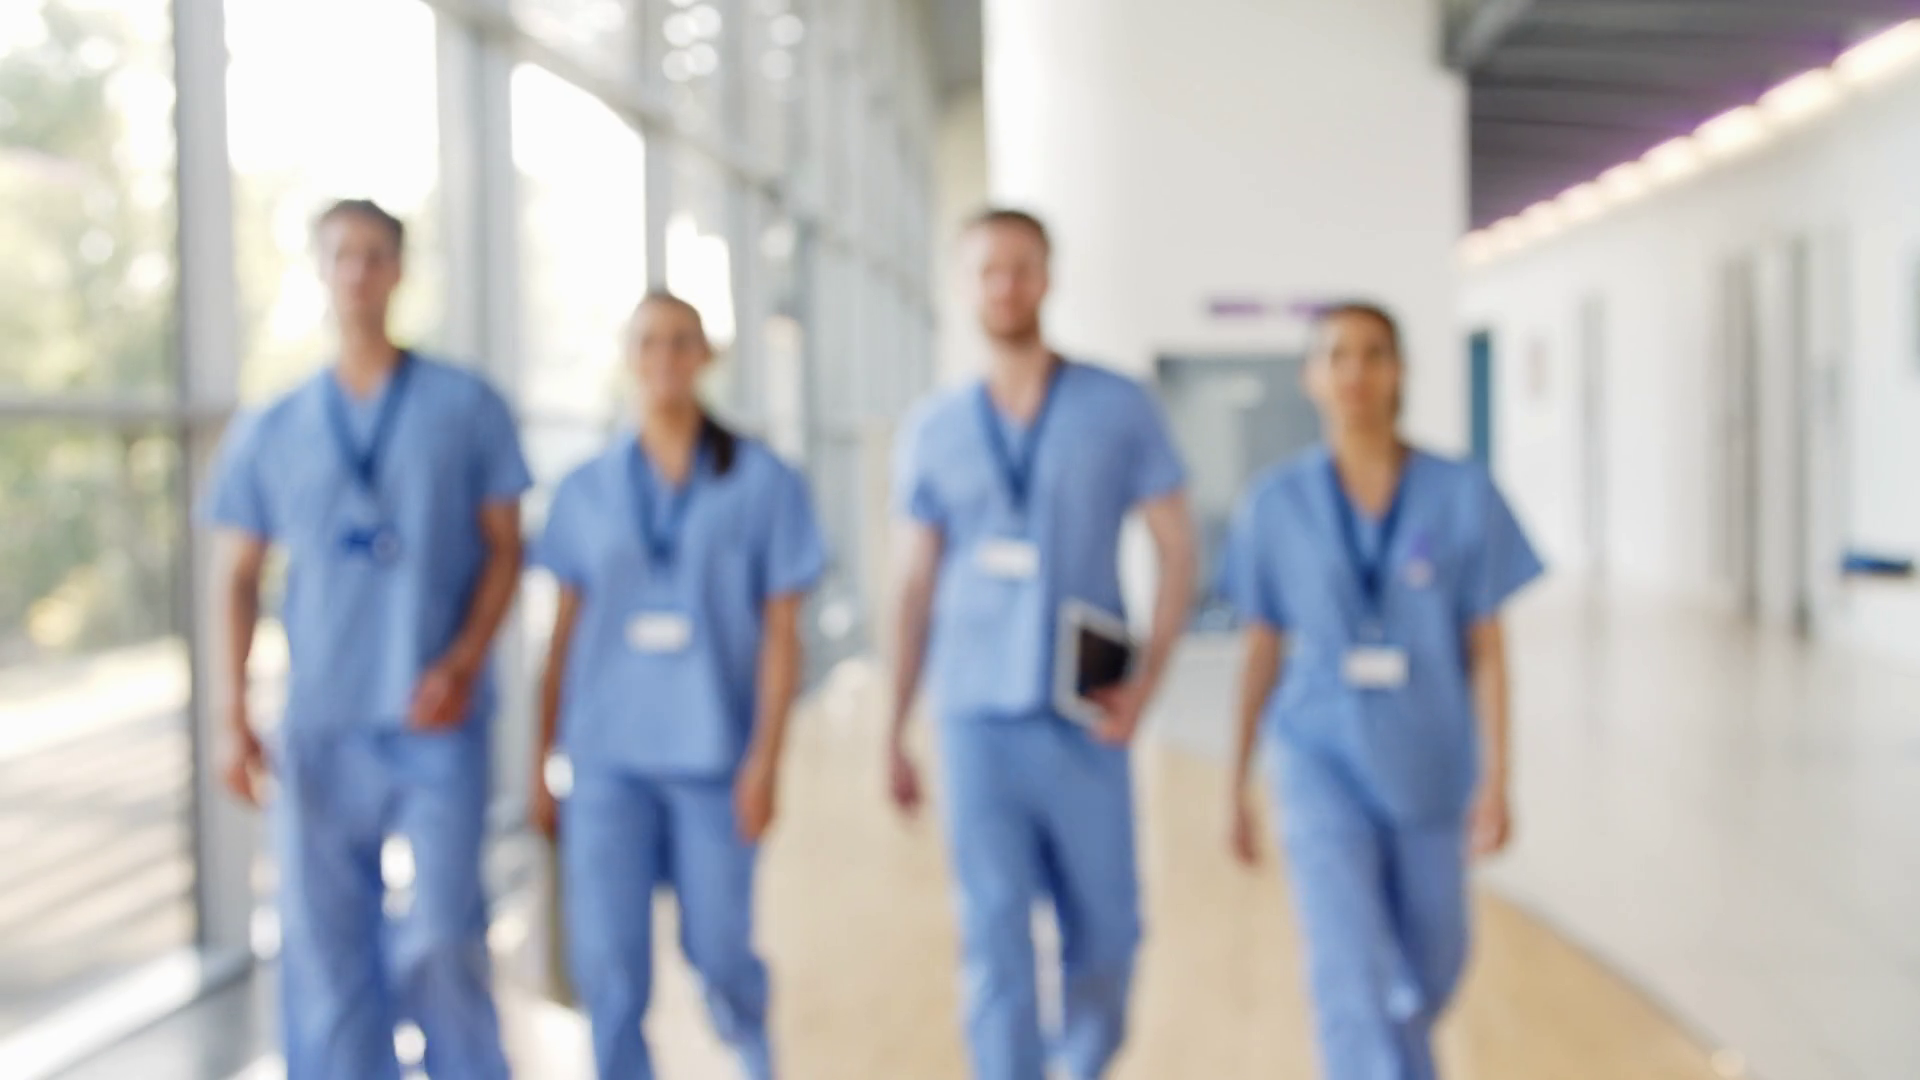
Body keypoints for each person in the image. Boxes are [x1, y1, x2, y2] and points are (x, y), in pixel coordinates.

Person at [204, 199, 528, 1080]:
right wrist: (234, 717)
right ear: (322, 270)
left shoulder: (466, 406)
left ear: (399, 270)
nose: (358, 271)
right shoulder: (270, 428)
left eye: (375, 255)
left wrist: (463, 661)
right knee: (326, 954)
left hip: (437, 716)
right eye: (342, 255)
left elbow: (507, 549)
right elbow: (236, 578)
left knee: (441, 936)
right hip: (321, 721)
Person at [886, 208, 1198, 1080]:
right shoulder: (934, 429)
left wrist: (1152, 679)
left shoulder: (1117, 405)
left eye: (1023, 268)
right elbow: (913, 585)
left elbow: (1179, 549)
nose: (1006, 286)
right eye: (988, 271)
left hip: (1084, 714)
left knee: (1108, 930)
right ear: (966, 285)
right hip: (974, 718)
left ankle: (1081, 1066)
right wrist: (893, 726)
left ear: (1048, 278)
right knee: (993, 937)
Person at [1223, 303, 1543, 1080]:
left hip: (1428, 760)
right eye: (1336, 355)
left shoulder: (1462, 493)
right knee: (1350, 972)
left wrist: (1498, 778)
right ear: (1311, 377)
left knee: (1436, 961)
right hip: (1316, 757)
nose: (1355, 372)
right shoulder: (1274, 504)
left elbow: (1488, 648)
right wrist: (1235, 779)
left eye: (1372, 354)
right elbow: (1262, 644)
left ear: (1400, 371)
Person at [529, 292, 825, 1080]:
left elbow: (781, 636)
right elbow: (561, 639)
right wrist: (540, 760)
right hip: (606, 762)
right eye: (649, 342)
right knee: (611, 966)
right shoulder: (586, 489)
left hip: (713, 755)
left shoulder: (762, 481)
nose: (665, 358)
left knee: (720, 948)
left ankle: (753, 1054)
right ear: (629, 356)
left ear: (706, 357)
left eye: (681, 342)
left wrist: (766, 760)